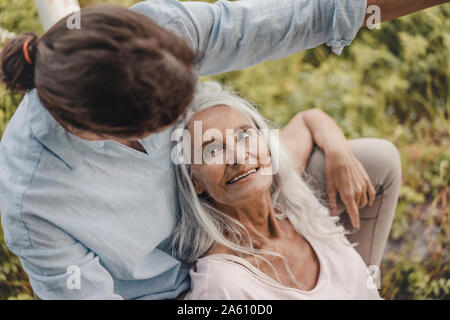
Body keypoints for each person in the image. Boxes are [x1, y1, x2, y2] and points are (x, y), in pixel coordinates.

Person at [0, 0, 445, 299]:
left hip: (236, 209)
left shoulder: (158, 30)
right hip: (198, 294)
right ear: (102, 131)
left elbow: (299, 14)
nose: (182, 129)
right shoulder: (35, 202)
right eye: (172, 128)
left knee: (374, 160)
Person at [171, 81, 389, 299]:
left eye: (244, 135)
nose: (238, 157)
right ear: (195, 181)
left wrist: (338, 149)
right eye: (213, 149)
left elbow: (307, 118)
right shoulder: (222, 288)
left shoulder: (291, 197)